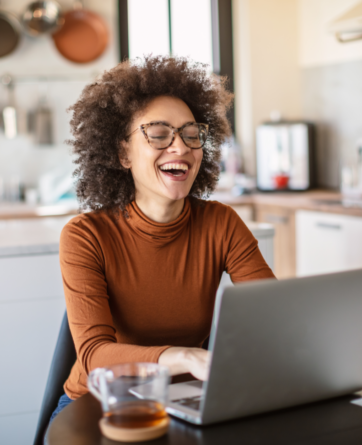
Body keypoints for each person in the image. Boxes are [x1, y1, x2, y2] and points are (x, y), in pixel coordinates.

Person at [49, 55, 275, 423]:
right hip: (99, 404)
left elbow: (271, 313)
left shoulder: (221, 223)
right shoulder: (85, 236)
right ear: (123, 152)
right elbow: (94, 357)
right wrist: (184, 356)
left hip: (187, 400)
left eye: (191, 134)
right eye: (158, 134)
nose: (181, 147)